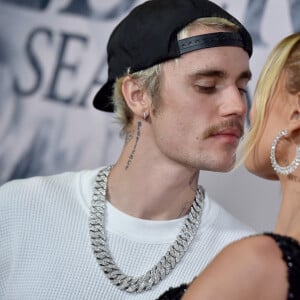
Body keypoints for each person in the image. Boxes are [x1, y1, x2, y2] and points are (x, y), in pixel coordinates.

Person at [0, 0, 255, 299]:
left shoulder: (245, 259)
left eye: (241, 87)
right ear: (138, 96)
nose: (238, 106)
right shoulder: (18, 210)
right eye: (207, 85)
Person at [158, 33, 300, 300]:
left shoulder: (258, 264)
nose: (245, 111)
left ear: (296, 114)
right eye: (208, 85)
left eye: (258, 92)